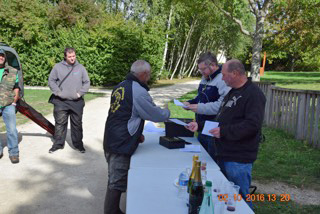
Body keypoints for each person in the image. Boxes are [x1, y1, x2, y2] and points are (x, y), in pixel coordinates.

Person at [186, 59, 266, 209]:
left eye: (224, 75)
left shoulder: (253, 94)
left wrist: (224, 132)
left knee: (240, 199)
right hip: (223, 152)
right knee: (226, 196)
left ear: (235, 73)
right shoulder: (232, 92)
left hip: (238, 158)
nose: (221, 78)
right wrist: (199, 125)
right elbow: (221, 120)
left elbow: (252, 125)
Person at [103, 60, 170, 214]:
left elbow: (125, 114)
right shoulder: (138, 91)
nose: (150, 77)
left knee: (114, 177)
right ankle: (111, 211)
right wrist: (167, 112)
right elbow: (154, 114)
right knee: (116, 182)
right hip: (121, 141)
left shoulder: (120, 85)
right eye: (149, 74)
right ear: (144, 74)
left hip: (112, 137)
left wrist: (137, 133)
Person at [183, 52, 230, 159]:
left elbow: (222, 106)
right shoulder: (206, 77)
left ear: (213, 65)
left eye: (203, 69)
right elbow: (200, 97)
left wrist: (199, 108)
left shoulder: (222, 79)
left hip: (214, 128)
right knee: (201, 159)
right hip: (201, 126)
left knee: (211, 161)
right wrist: (190, 102)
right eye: (200, 69)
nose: (201, 72)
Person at [48, 47, 90, 153]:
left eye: (74, 56)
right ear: (65, 57)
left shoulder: (80, 68)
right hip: (61, 102)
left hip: (77, 102)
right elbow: (51, 81)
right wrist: (58, 93)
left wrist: (79, 93)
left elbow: (87, 82)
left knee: (77, 124)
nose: (72, 58)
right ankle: (58, 144)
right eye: (70, 56)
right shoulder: (57, 67)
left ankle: (78, 145)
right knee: (60, 123)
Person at [0, 48, 20, 164]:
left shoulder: (12, 71)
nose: (0, 57)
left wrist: (15, 100)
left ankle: (14, 153)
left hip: (8, 104)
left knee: (12, 129)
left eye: (2, 55)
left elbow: (16, 87)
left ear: (5, 58)